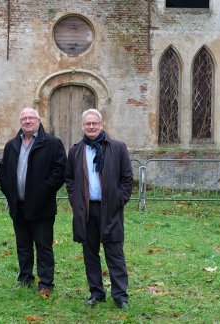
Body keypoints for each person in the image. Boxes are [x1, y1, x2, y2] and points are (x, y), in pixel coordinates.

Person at [65, 108, 132, 309]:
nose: (91, 126)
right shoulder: (76, 151)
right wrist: (75, 199)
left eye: (95, 123)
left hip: (110, 210)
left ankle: (120, 296)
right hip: (86, 211)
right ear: (82, 126)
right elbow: (69, 179)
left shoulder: (117, 148)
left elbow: (127, 178)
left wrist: (119, 199)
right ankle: (96, 293)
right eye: (88, 124)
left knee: (115, 253)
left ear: (101, 125)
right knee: (90, 254)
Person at [0, 107, 66, 298]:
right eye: (24, 118)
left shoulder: (52, 143)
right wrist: (8, 190)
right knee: (23, 245)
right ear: (20, 122)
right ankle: (25, 277)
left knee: (44, 245)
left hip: (42, 206)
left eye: (31, 118)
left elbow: (59, 171)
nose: (27, 121)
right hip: (18, 205)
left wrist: (43, 191)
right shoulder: (12, 144)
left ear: (38, 121)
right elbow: (3, 170)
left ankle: (45, 282)